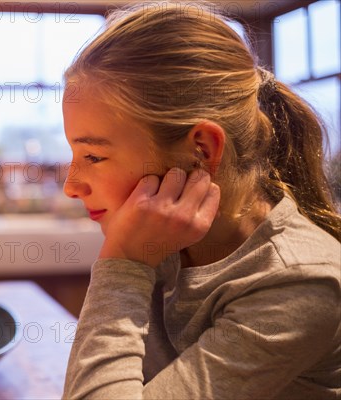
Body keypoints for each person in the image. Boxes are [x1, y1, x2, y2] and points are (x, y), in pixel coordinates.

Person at [60, 2, 341, 399]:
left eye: (93, 156)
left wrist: (123, 264)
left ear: (201, 151)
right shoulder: (168, 240)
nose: (71, 186)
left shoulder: (298, 281)